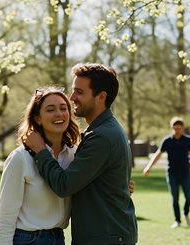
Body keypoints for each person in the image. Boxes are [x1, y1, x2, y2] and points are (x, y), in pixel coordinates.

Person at [25, 63, 138, 244]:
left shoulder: (102, 136)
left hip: (106, 237)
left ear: (101, 97)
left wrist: (40, 151)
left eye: (79, 92)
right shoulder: (101, 131)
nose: (72, 97)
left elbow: (64, 185)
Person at [0, 86, 80, 245]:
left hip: (59, 238)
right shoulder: (20, 158)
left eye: (63, 108)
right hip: (27, 239)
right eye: (50, 109)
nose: (59, 114)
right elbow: (4, 216)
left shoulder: (75, 155)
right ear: (37, 118)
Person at [142, 116, 190, 229]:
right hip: (172, 173)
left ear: (183, 128)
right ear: (172, 127)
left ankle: (185, 213)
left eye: (179, 128)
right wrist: (148, 167)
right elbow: (157, 155)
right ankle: (177, 220)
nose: (177, 130)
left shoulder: (187, 140)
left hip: (185, 173)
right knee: (175, 198)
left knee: (189, 196)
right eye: (175, 128)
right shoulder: (167, 141)